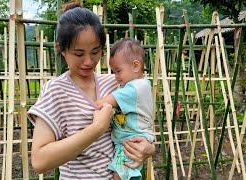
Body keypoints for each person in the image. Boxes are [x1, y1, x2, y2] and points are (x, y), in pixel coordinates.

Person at [27, 2, 155, 180]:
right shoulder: (55, 91)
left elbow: (140, 122)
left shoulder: (116, 84)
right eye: (79, 54)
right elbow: (40, 161)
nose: (88, 61)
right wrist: (96, 129)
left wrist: (148, 148)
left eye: (95, 52)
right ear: (61, 50)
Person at [96, 39, 154, 180]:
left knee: (120, 175)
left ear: (135, 66)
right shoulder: (137, 85)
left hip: (131, 141)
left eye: (118, 71)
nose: (115, 77)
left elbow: (102, 103)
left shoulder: (135, 88)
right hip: (131, 139)